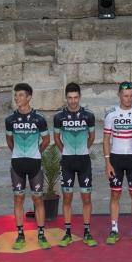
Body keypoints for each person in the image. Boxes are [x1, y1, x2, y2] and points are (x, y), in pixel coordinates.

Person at [5, 83, 51, 250]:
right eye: (16, 95)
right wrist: (17, 152)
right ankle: (20, 235)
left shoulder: (39, 119)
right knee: (18, 199)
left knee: (38, 199)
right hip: (17, 163)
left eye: (21, 95)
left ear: (29, 97)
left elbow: (46, 140)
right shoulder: (10, 120)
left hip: (35, 164)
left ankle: (41, 234)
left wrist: (36, 152)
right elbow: (9, 140)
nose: (17, 98)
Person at [103, 81, 132, 245]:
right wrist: (107, 162)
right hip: (116, 159)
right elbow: (106, 139)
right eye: (125, 96)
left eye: (131, 96)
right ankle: (114, 229)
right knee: (115, 194)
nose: (128, 99)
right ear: (119, 95)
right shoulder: (111, 114)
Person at [53, 82, 97, 247]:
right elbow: (57, 138)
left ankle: (87, 232)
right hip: (67, 162)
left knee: (86, 197)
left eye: (75, 97)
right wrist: (65, 151)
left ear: (80, 97)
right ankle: (68, 233)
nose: (73, 101)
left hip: (84, 160)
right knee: (67, 198)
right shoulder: (59, 117)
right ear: (66, 98)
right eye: (70, 98)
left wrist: (84, 149)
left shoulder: (88, 115)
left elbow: (92, 137)